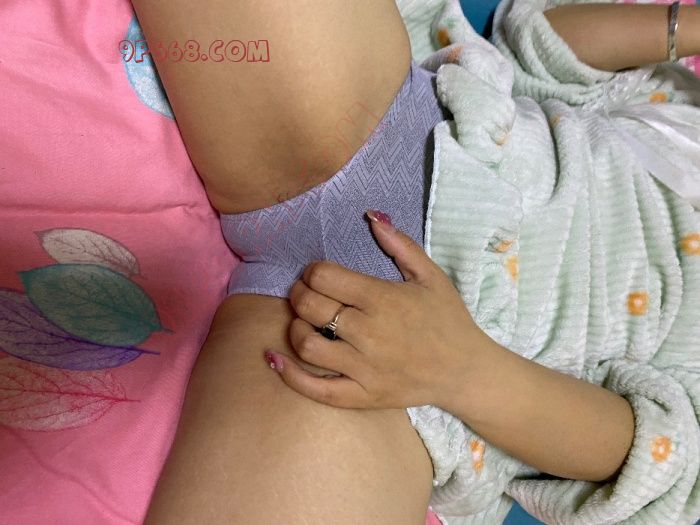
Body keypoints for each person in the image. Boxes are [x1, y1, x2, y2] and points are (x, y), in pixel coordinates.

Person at [128, 0, 700, 523]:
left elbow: (659, 457)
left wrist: (460, 370)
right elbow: (543, 55)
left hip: (416, 387)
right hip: (401, 134)